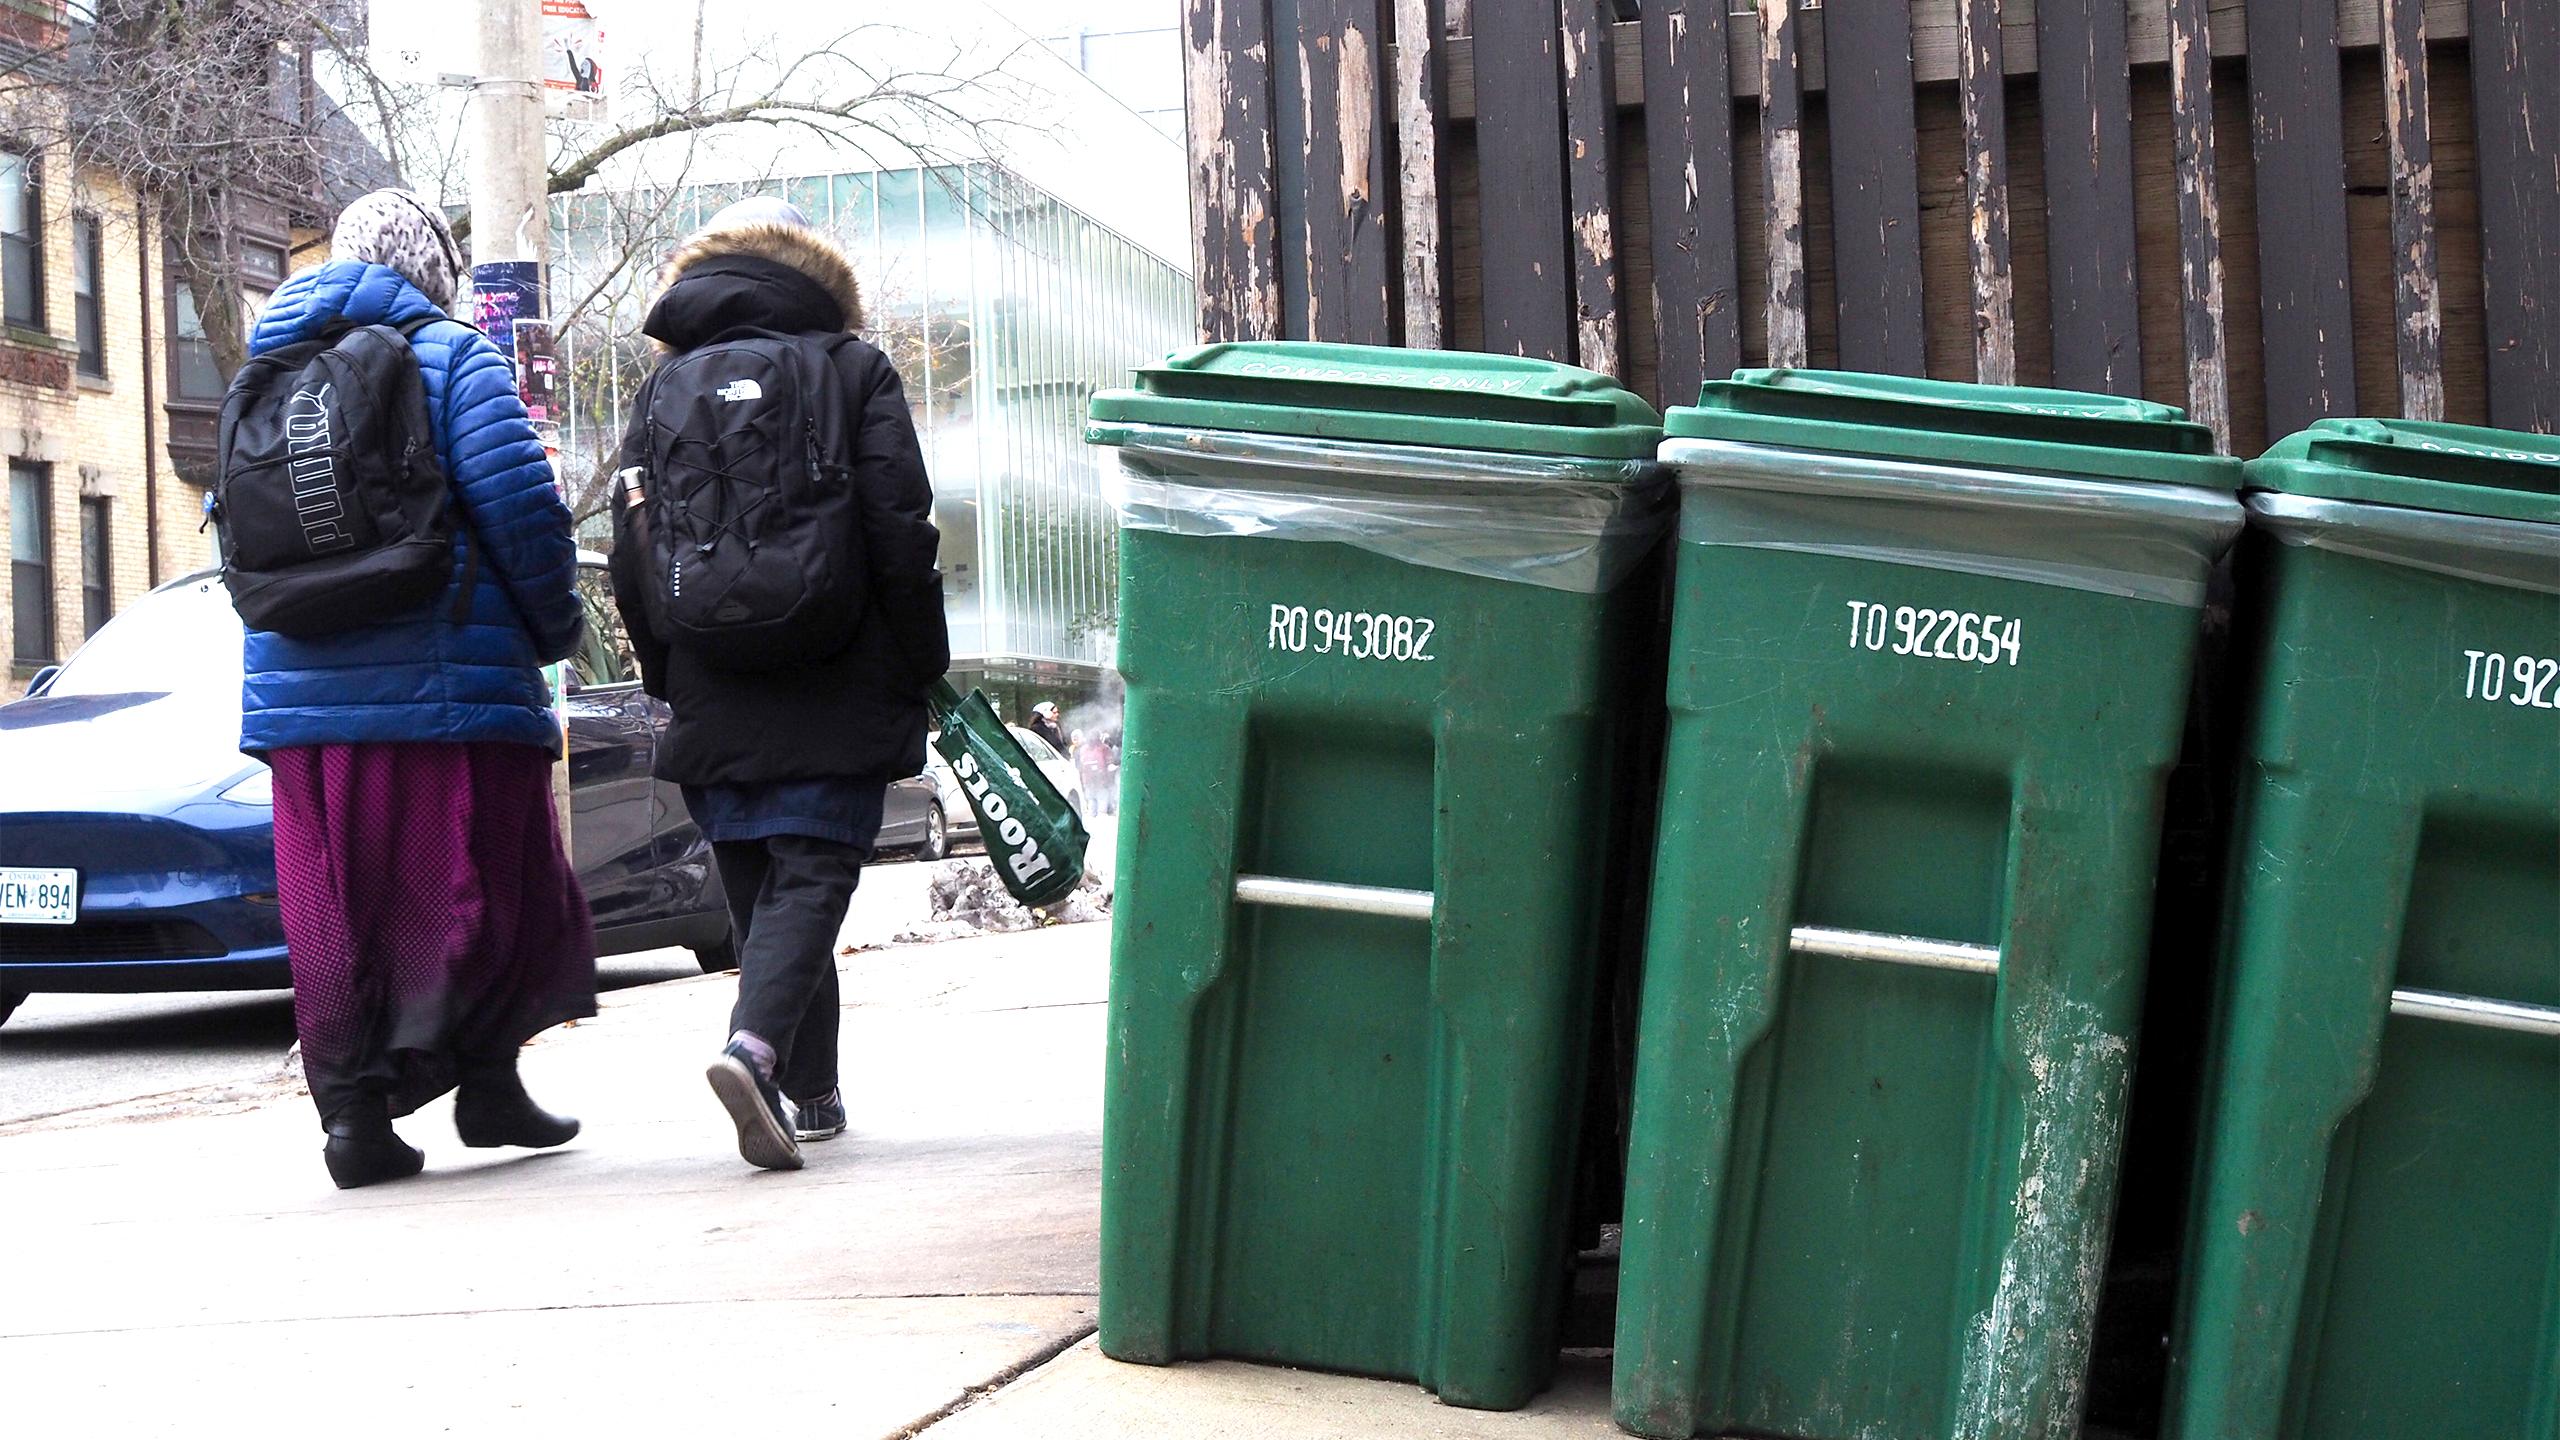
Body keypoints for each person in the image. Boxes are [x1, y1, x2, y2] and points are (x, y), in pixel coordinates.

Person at [241, 189, 594, 1190]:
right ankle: (488, 1082)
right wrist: (554, 629)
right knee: (493, 884)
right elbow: (523, 509)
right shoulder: (453, 357)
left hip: (303, 704)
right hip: (447, 690)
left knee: (337, 911)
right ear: (433, 271)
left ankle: (353, 1120)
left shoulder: (265, 369)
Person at [610, 197, 948, 1172]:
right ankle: (755, 1052)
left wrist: (665, 664)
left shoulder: (667, 384)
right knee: (813, 874)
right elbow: (900, 529)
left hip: (710, 670)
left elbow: (633, 545)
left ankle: (811, 1090)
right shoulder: (851, 369)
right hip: (836, 666)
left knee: (767, 890)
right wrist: (921, 662)